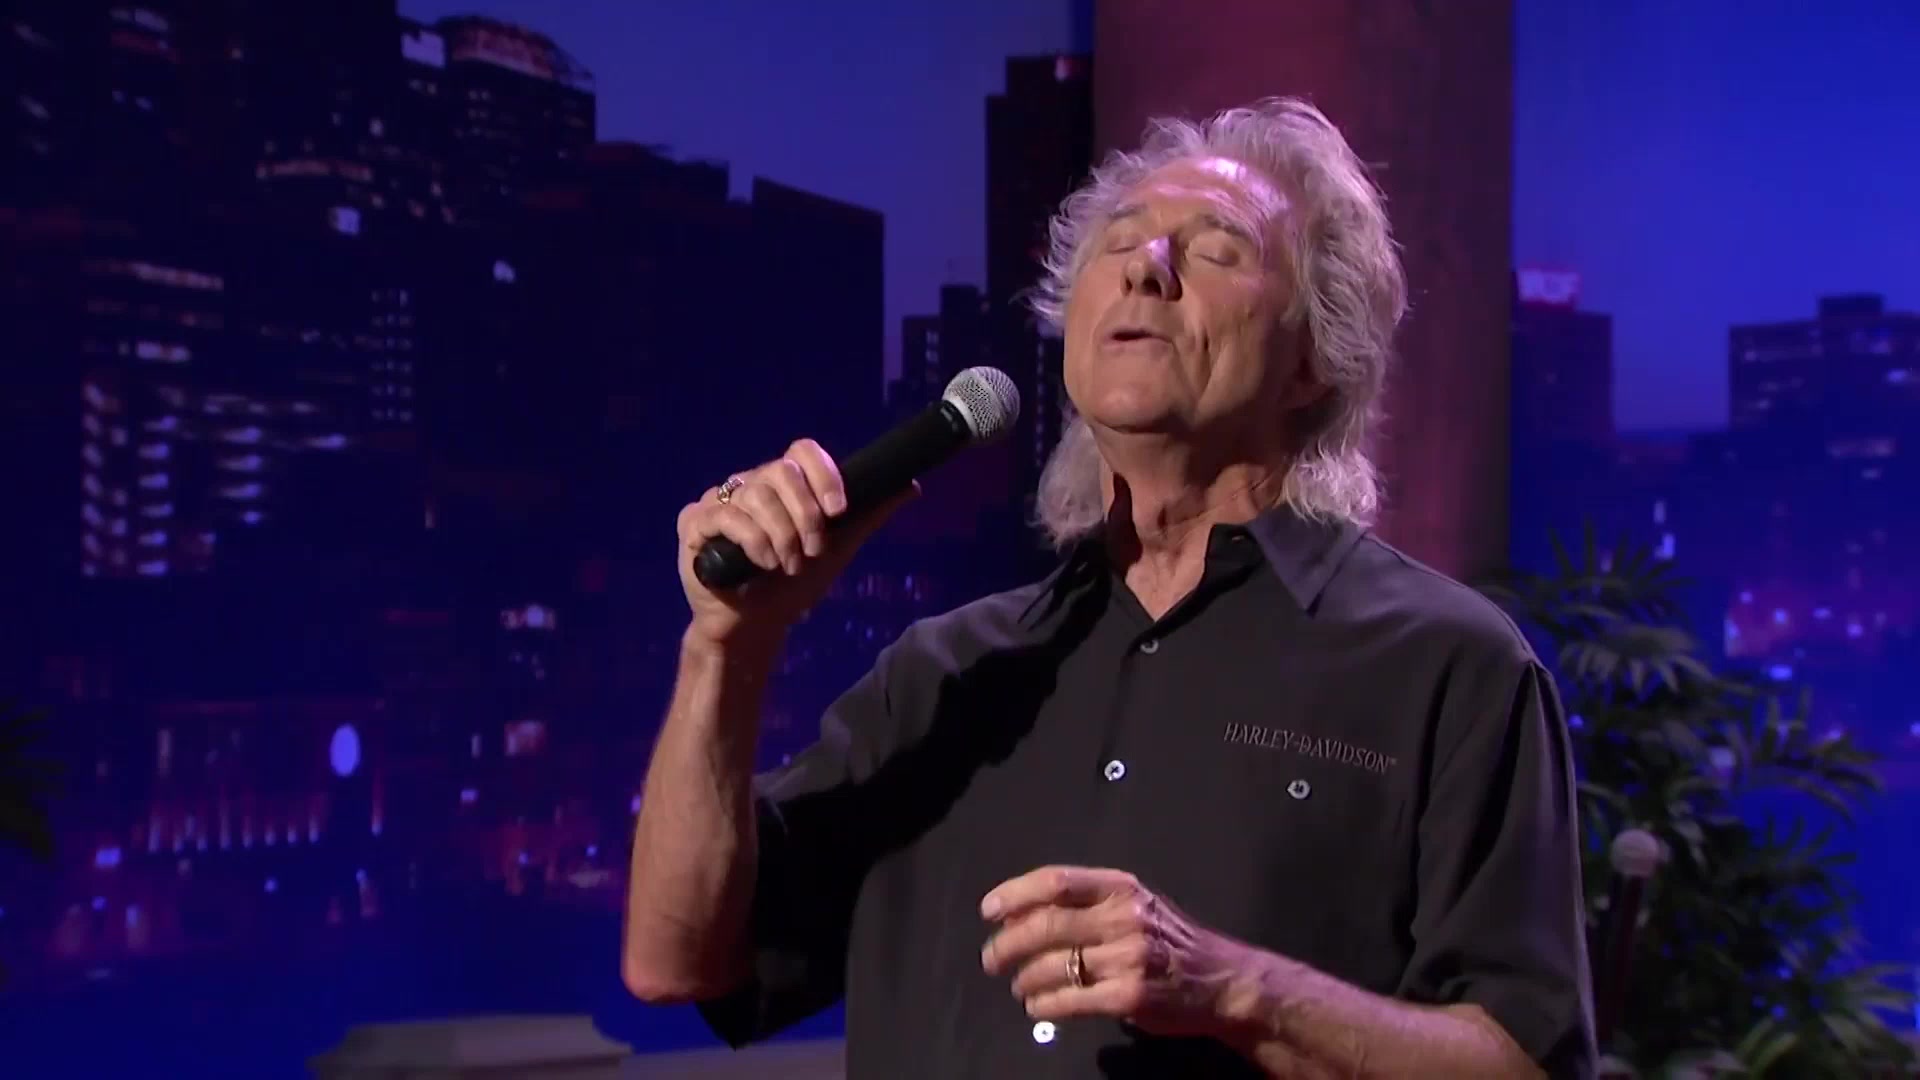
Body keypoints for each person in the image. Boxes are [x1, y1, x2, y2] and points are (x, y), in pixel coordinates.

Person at [623, 97, 1597, 1078]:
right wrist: (727, 646)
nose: (1144, 268)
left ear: (1312, 358)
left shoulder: (1448, 668)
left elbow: (1527, 1062)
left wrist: (1234, 989)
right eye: (1119, 245)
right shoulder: (944, 674)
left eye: (1214, 250)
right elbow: (675, 962)